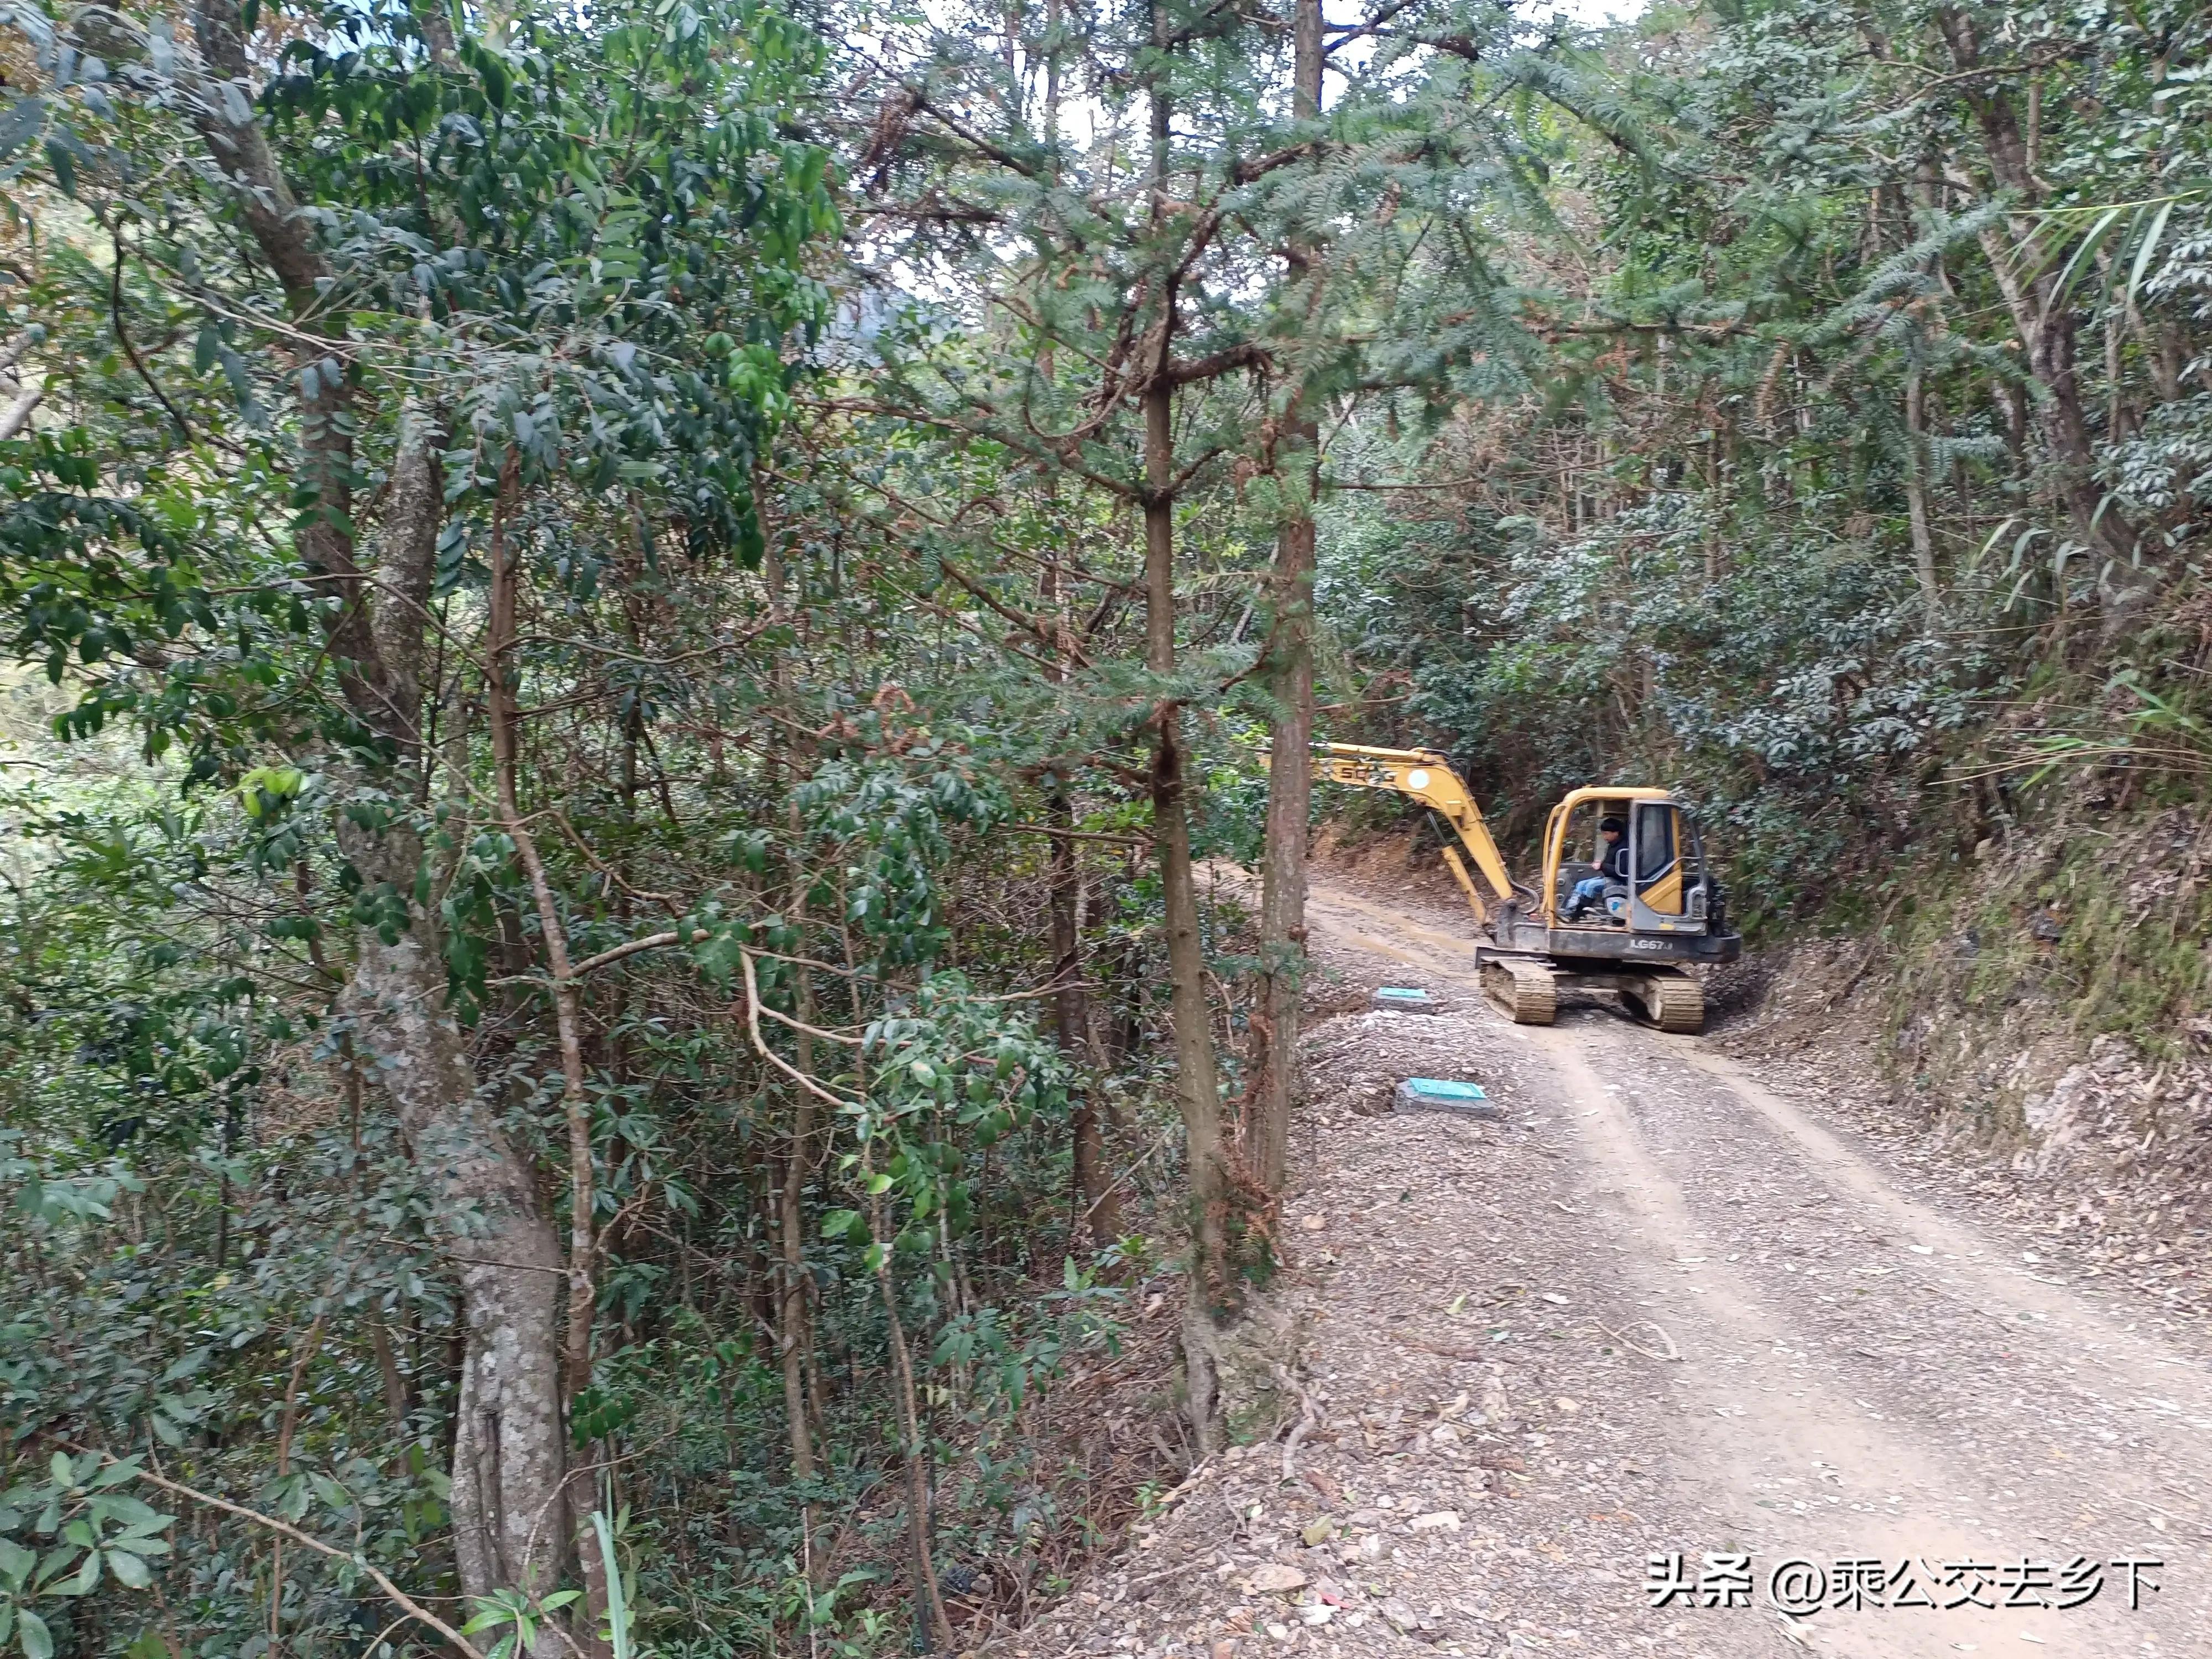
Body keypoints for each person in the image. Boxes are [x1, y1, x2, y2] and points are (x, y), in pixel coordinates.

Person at [1563, 815, 1630, 921]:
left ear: (1616, 833)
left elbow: (1622, 871)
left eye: (1606, 834)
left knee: (1591, 886)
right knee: (1581, 884)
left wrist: (1602, 866)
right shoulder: (1613, 845)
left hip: (1621, 880)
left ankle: (1577, 914)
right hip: (1611, 877)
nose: (1604, 837)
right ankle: (1569, 911)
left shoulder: (1624, 847)